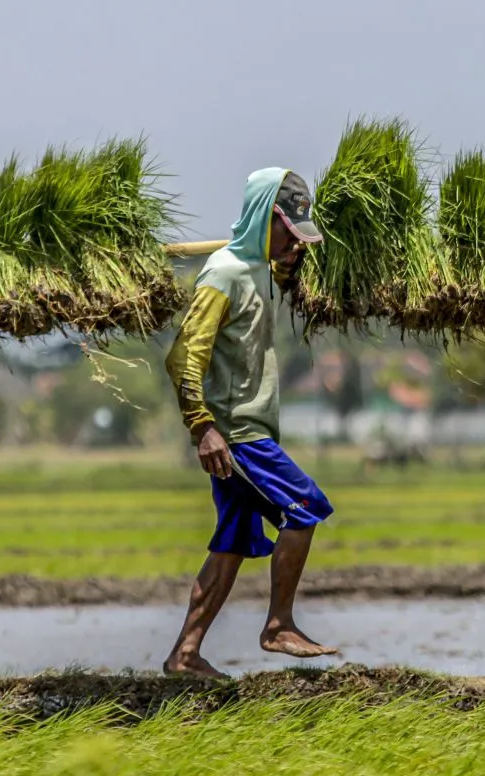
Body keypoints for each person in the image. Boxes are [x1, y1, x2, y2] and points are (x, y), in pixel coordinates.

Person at [162, 167, 338, 678]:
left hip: (244, 429)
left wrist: (298, 255)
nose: (296, 245)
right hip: (237, 434)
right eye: (290, 233)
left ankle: (185, 654)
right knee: (305, 507)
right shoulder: (223, 274)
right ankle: (279, 624)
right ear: (266, 219)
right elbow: (182, 358)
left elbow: (281, 271)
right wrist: (203, 427)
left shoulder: (259, 267)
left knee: (232, 542)